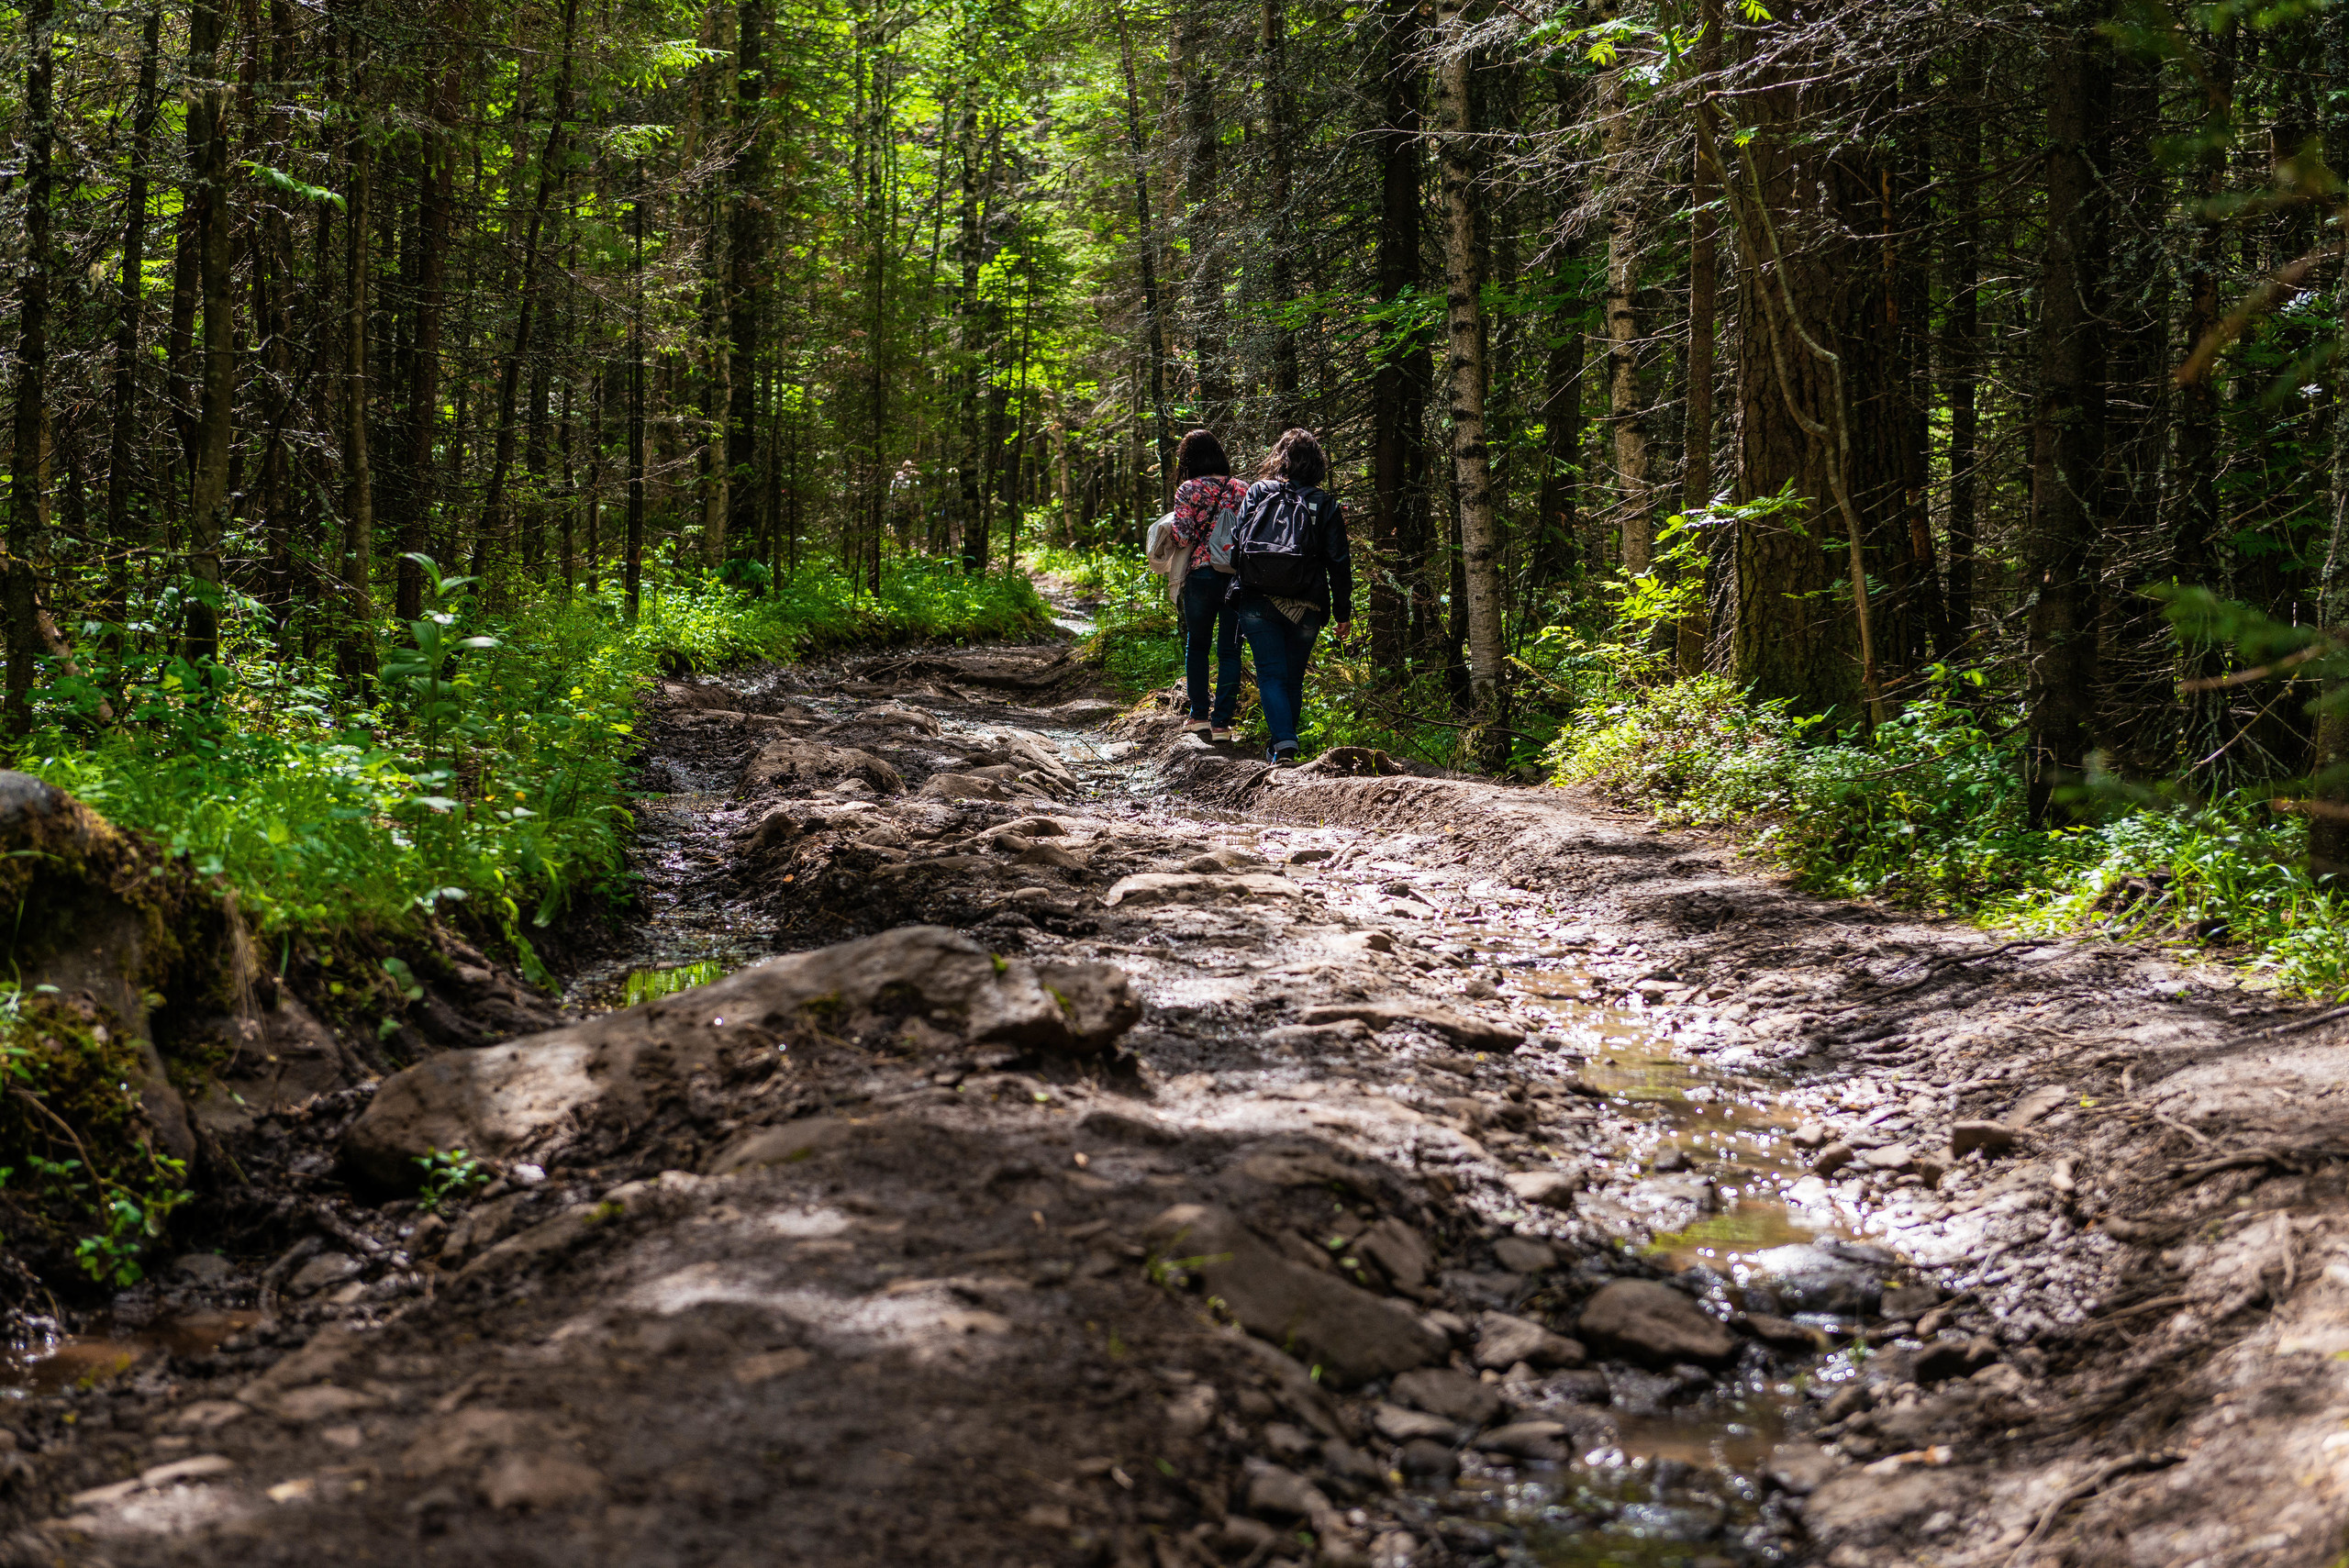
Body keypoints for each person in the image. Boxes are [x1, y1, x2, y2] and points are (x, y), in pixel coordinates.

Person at [1226, 428, 1352, 766]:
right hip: (1307, 603)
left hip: (1256, 597)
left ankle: (1283, 745)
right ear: (1316, 463)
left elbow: (1238, 544)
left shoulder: (1258, 492)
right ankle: (1283, 744)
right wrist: (1343, 611)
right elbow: (1339, 562)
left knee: (1270, 674)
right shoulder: (1324, 504)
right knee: (1292, 678)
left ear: (1279, 457)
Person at [1166, 428, 1249, 740]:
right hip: (1237, 578)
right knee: (1230, 650)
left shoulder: (1188, 489)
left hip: (1201, 574)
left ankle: (1199, 715)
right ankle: (1223, 723)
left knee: (1198, 646)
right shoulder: (1243, 488)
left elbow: (1182, 536)